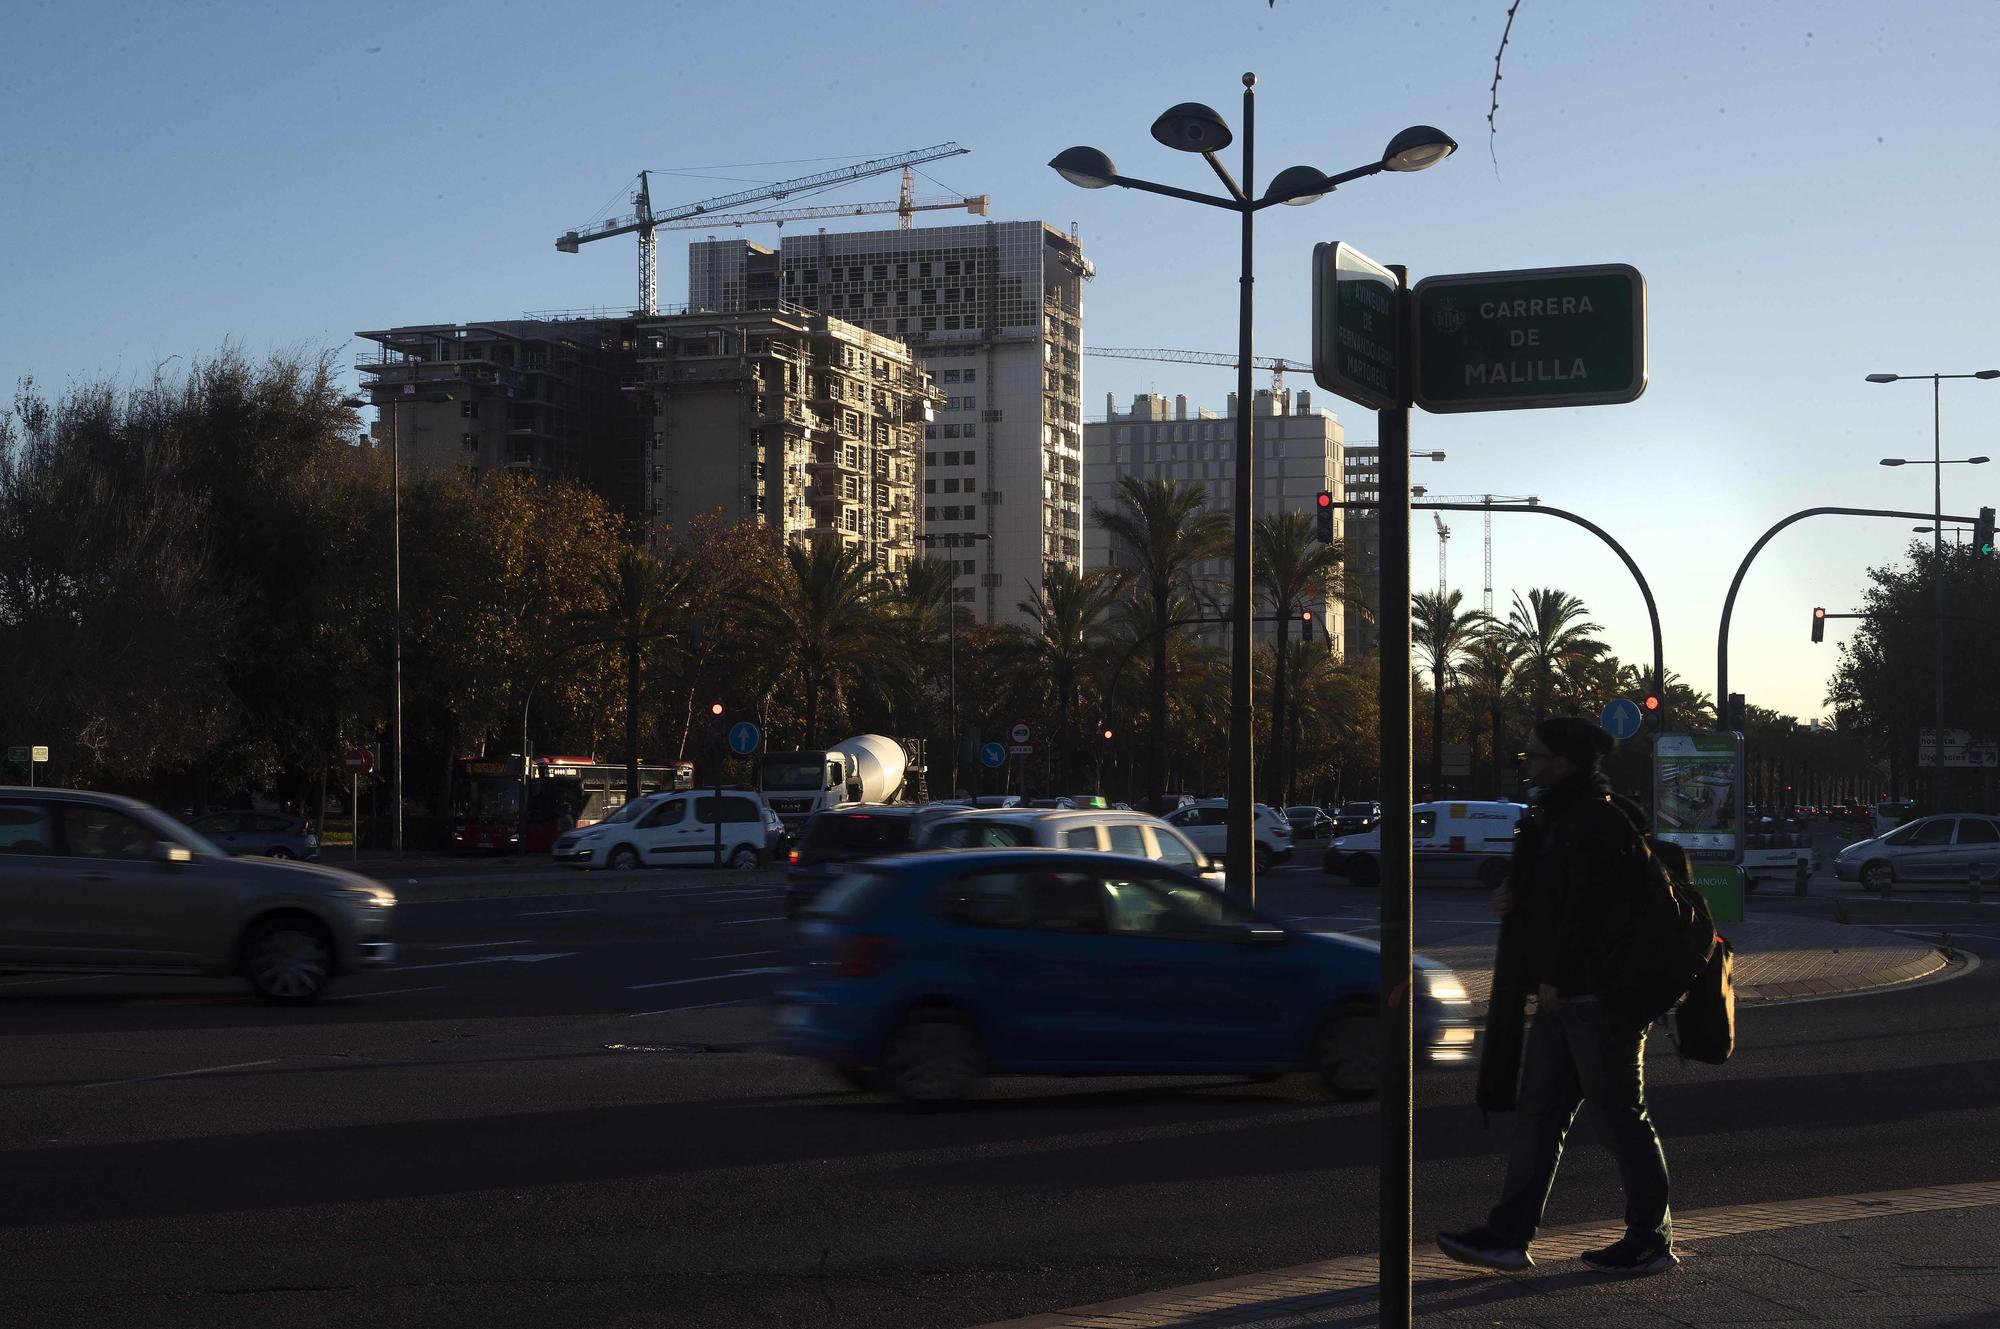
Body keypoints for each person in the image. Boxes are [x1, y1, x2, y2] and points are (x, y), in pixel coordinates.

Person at [1437, 715, 1679, 1277]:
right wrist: (1512, 898)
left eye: (1537, 756)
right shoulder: (1559, 818)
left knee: (1620, 1118)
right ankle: (1507, 1235)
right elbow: (1553, 901)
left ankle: (1650, 1238)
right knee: (1541, 1117)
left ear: (1565, 763)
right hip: (1562, 997)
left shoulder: (1596, 822)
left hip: (1596, 999)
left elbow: (1590, 913)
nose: (1529, 764)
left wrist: (1558, 977)